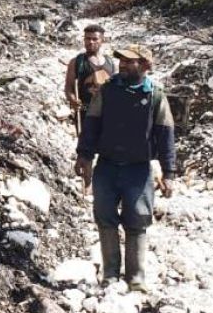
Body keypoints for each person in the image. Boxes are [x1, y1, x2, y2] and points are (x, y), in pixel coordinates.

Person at [74, 44, 175, 290]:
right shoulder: (107, 91)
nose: (123, 65)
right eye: (122, 60)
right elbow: (92, 125)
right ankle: (110, 274)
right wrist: (84, 156)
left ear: (146, 66)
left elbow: (166, 134)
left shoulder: (155, 95)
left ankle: (136, 277)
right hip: (107, 166)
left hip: (138, 170)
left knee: (138, 219)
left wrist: (169, 172)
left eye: (131, 62)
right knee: (105, 216)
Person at [65, 24, 115, 129]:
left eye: (94, 39)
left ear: (102, 40)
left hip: (107, 114)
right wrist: (73, 100)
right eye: (87, 38)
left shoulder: (110, 63)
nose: (90, 42)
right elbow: (68, 88)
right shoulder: (77, 62)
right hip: (85, 113)